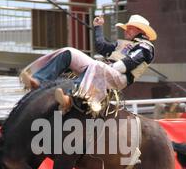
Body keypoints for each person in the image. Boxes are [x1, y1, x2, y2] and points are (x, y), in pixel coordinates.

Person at [19, 14, 156, 116]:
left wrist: (106, 67)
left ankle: (70, 99)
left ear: (140, 30)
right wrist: (98, 27)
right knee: (69, 52)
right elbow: (101, 47)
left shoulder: (146, 47)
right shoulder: (123, 44)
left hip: (119, 78)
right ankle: (38, 81)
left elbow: (128, 64)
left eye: (129, 28)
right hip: (103, 69)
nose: (125, 31)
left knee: (97, 66)